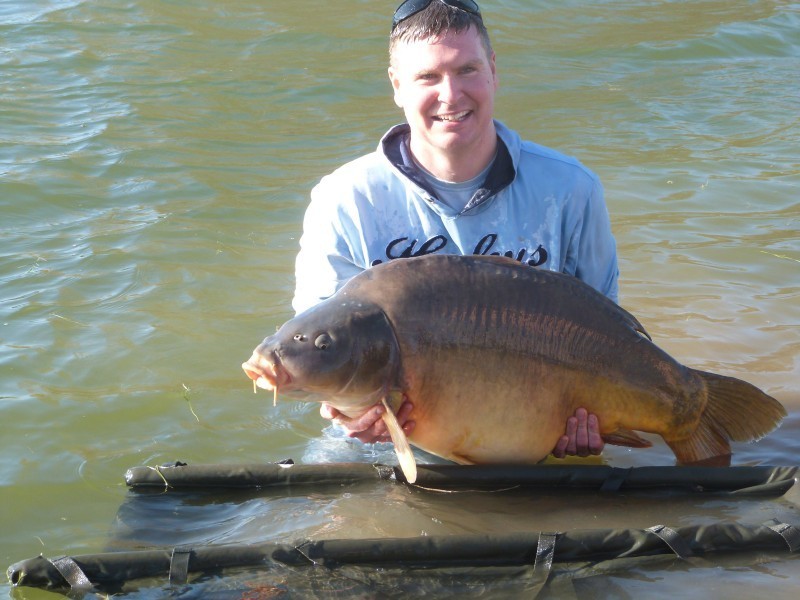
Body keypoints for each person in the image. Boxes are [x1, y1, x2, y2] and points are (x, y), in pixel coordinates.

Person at [293, 0, 613, 458]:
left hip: (540, 436)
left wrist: (591, 421)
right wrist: (346, 412)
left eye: (467, 70)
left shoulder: (571, 190)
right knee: (318, 492)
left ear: (493, 71)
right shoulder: (344, 200)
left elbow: (609, 339)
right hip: (385, 445)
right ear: (397, 85)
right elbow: (320, 352)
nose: (451, 94)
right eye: (428, 76)